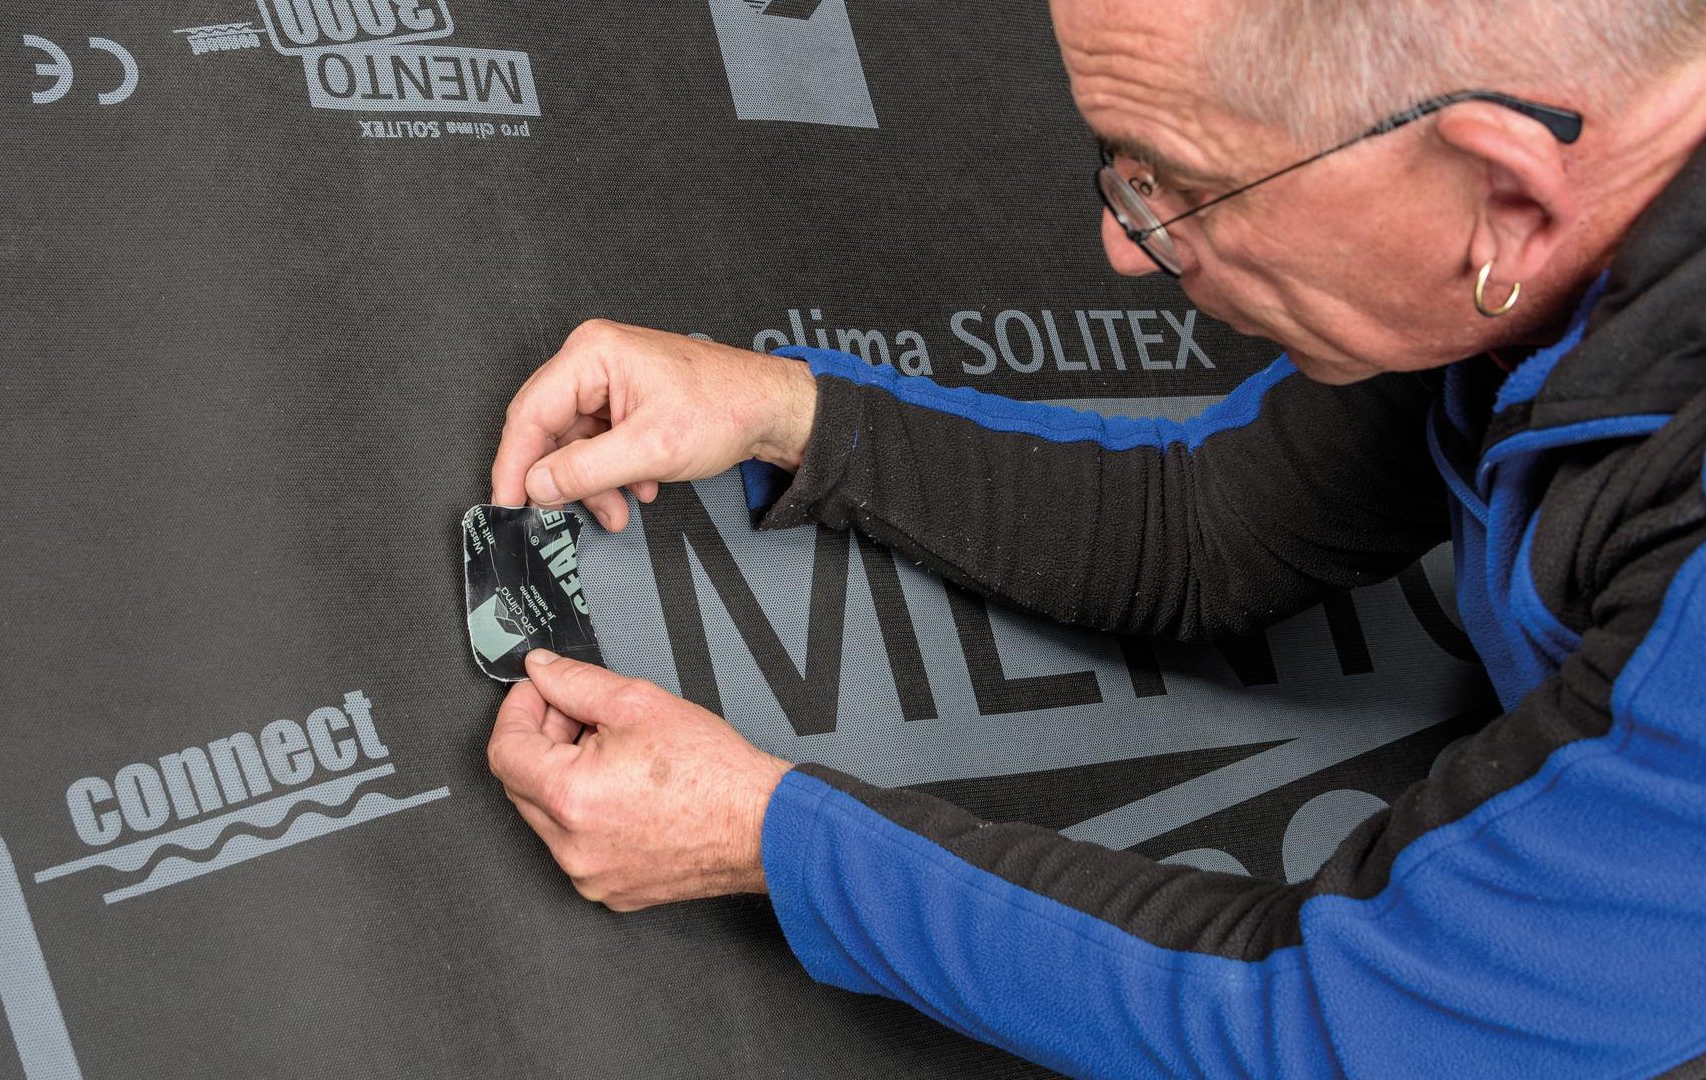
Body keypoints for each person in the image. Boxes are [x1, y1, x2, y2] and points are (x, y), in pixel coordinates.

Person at [484, 0, 1706, 1074]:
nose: (1126, 245)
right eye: (1120, 166)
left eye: (1182, 183)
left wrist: (769, 839)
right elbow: (1209, 525)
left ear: (1506, 197)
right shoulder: (1504, 256)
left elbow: (1340, 1029)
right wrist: (784, 411)